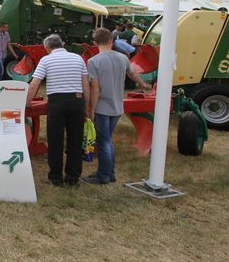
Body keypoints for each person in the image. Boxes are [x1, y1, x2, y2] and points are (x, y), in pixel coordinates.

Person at [84, 28, 149, 185]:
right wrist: (143, 84)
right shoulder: (123, 58)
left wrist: (91, 109)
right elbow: (132, 74)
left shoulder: (93, 61)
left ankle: (103, 176)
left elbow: (95, 89)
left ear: (95, 43)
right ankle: (110, 173)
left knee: (104, 142)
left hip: (102, 107)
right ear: (111, 41)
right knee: (108, 140)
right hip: (117, 106)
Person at [26, 34, 90, 187]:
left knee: (55, 140)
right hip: (77, 100)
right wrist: (85, 106)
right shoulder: (78, 58)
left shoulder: (46, 60)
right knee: (75, 140)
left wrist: (26, 103)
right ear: (62, 44)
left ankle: (55, 177)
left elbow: (34, 85)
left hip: (57, 102)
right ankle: (73, 178)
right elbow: (85, 84)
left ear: (47, 47)